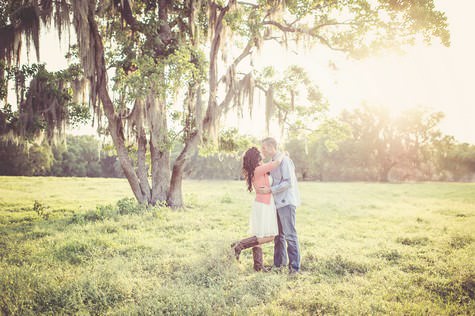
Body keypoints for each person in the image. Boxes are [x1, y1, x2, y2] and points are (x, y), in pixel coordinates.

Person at [231, 147, 284, 271]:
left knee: (258, 236)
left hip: (263, 203)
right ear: (256, 157)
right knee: (270, 236)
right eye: (260, 153)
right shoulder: (258, 169)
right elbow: (276, 163)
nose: (262, 153)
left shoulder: (258, 168)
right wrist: (283, 154)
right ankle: (240, 245)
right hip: (264, 205)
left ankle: (258, 267)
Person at [257, 137, 301, 274]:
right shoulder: (273, 162)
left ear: (271, 147)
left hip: (286, 202)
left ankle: (294, 268)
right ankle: (279, 265)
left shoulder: (285, 161)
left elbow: (288, 182)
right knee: (278, 235)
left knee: (290, 235)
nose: (262, 150)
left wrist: (270, 190)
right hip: (276, 204)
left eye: (263, 147)